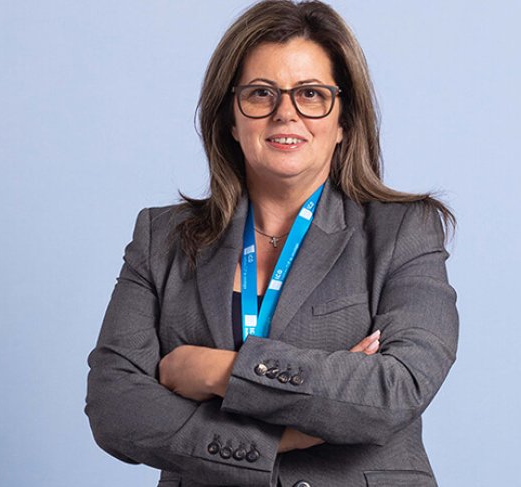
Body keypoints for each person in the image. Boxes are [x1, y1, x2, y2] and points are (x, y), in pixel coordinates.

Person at [85, 1, 459, 486]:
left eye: (311, 94)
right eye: (261, 93)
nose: (286, 113)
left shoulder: (404, 230)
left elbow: (397, 388)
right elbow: (114, 406)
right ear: (230, 118)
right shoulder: (162, 238)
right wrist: (276, 440)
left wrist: (219, 371)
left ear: (344, 121)